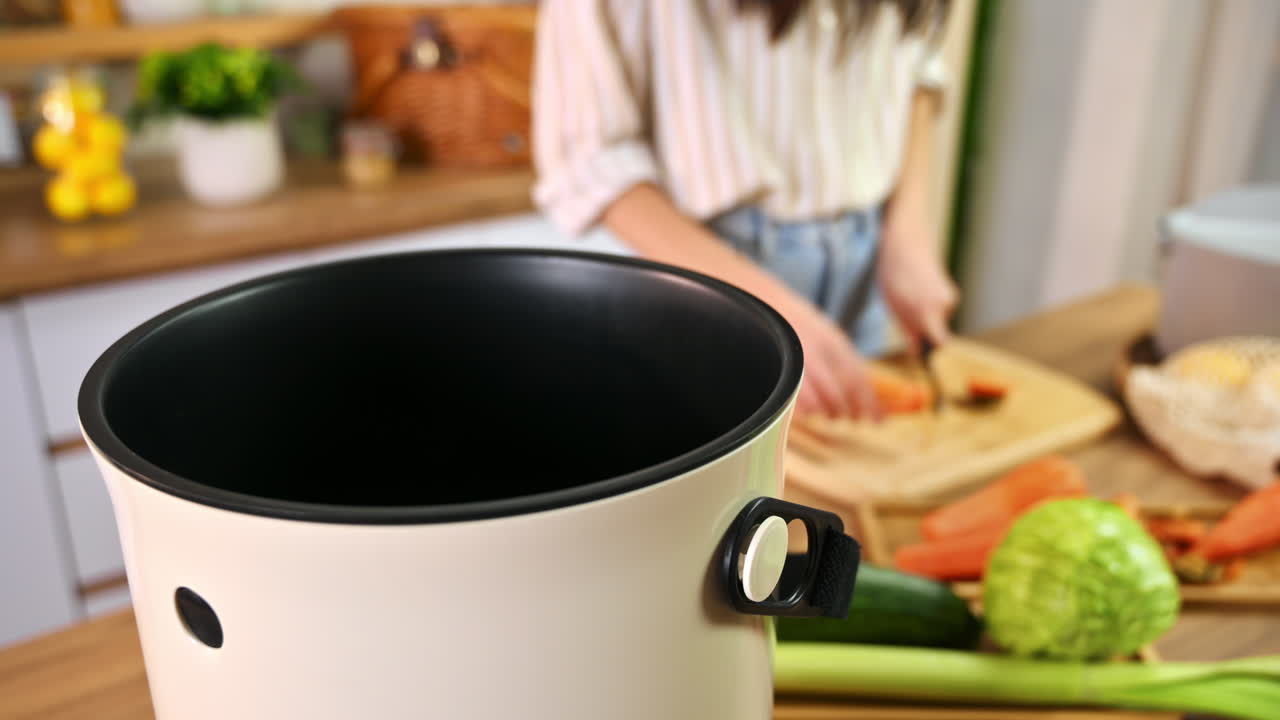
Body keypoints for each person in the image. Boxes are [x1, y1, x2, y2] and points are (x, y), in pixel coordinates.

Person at [534, 0, 959, 420]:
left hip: (869, 265)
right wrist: (765, 313)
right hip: (713, 279)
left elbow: (919, 65)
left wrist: (909, 232)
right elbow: (590, 160)